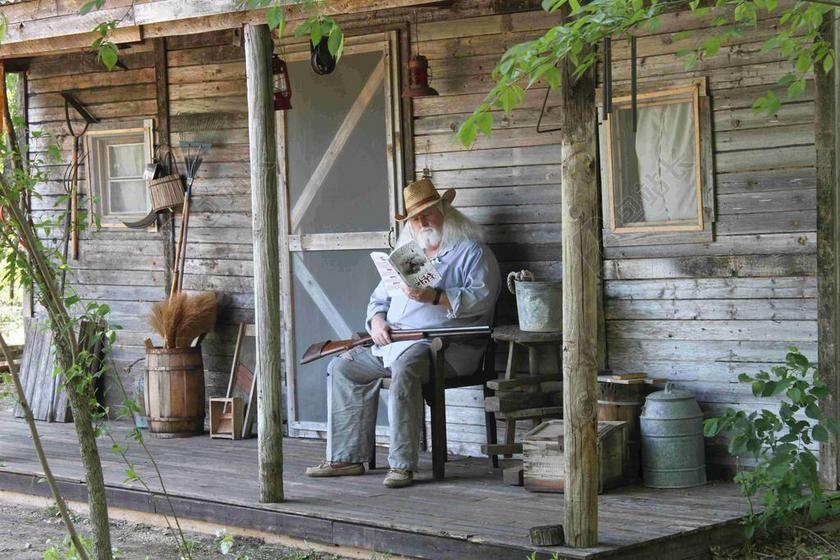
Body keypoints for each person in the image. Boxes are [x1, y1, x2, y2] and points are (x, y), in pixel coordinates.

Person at [305, 178, 501, 488]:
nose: (422, 222)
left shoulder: (471, 252)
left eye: (429, 213)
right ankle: (346, 458)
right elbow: (378, 300)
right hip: (392, 341)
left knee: (405, 368)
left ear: (445, 211)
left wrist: (435, 296)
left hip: (443, 346)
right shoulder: (409, 255)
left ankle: (401, 465)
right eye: (415, 217)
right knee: (341, 367)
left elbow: (483, 298)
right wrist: (378, 321)